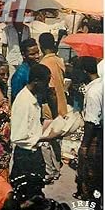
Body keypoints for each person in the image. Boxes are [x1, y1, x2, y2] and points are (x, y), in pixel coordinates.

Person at [10, 64, 62, 203]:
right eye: (46, 81)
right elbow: (18, 136)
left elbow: (31, 126)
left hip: (34, 154)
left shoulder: (33, 98)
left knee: (35, 194)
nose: (48, 85)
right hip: (25, 158)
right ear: (37, 81)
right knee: (25, 198)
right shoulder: (24, 102)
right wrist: (45, 137)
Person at [75, 57, 103, 210]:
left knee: (91, 175)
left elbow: (92, 122)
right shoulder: (100, 85)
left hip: (94, 138)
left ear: (85, 72)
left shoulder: (93, 92)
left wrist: (84, 146)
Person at [39, 33, 67, 184]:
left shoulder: (44, 63)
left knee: (46, 140)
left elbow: (50, 91)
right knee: (57, 139)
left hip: (50, 107)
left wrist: (54, 111)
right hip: (62, 104)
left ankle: (50, 171)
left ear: (41, 46)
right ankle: (57, 167)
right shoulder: (59, 60)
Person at [10, 38, 40, 104]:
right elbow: (16, 98)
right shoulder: (20, 75)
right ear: (23, 55)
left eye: (38, 52)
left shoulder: (37, 69)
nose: (37, 56)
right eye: (32, 54)